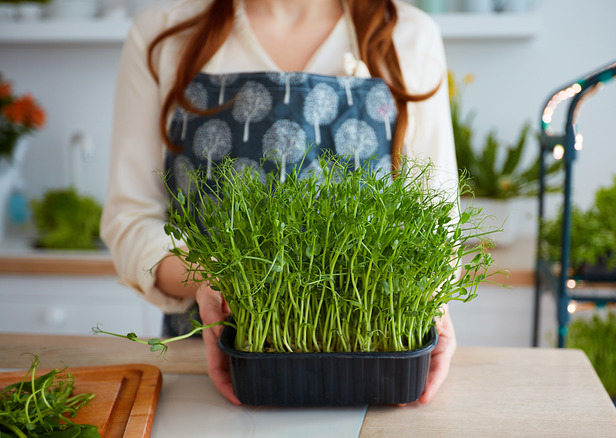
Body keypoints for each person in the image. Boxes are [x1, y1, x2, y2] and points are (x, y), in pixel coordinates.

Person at [101, 0, 459, 406]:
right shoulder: (164, 33)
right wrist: (206, 279)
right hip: (208, 373)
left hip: (371, 377)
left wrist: (427, 305)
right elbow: (130, 219)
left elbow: (437, 221)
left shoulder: (407, 34)